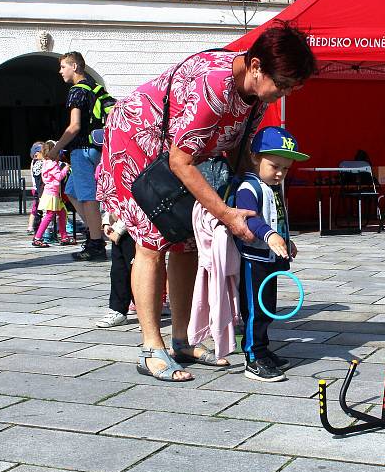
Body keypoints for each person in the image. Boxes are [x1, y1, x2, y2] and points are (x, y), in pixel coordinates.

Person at [97, 21, 316, 382]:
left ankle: (183, 340)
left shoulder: (255, 95)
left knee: (187, 244)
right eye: (283, 84)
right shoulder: (213, 85)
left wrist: (261, 204)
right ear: (257, 65)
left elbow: (238, 154)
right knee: (152, 244)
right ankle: (151, 348)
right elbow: (179, 161)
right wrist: (228, 214)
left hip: (178, 155)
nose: (284, 93)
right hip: (137, 142)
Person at [234, 126, 309, 382]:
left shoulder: (272, 187)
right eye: (274, 166)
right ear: (256, 158)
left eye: (285, 168)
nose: (280, 173)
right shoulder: (249, 187)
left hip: (271, 259)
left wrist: (287, 241)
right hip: (254, 261)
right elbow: (251, 220)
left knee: (268, 308)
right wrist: (271, 236)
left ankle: (263, 349)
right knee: (255, 309)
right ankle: (253, 357)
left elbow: (277, 218)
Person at [47, 51, 106, 261]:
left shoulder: (76, 91)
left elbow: (74, 126)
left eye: (63, 66)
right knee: (71, 191)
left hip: (81, 150)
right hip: (95, 149)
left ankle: (96, 243)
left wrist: (56, 149)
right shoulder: (95, 87)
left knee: (87, 196)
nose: (60, 71)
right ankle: (94, 229)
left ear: (75, 67)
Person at [95, 210, 136, 328]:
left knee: (137, 271)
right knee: (118, 271)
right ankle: (118, 309)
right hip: (118, 225)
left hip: (134, 228)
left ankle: (146, 311)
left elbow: (131, 203)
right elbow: (109, 202)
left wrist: (119, 230)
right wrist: (107, 222)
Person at [32, 141, 75, 248]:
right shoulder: (52, 164)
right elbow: (59, 176)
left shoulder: (46, 162)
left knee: (62, 213)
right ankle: (37, 238)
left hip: (54, 193)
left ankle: (64, 236)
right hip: (51, 194)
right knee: (49, 215)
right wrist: (66, 168)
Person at [26, 141, 45, 235]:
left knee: (36, 208)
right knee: (37, 209)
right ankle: (32, 227)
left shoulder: (35, 162)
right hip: (37, 188)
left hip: (36, 188)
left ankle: (31, 226)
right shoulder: (37, 163)